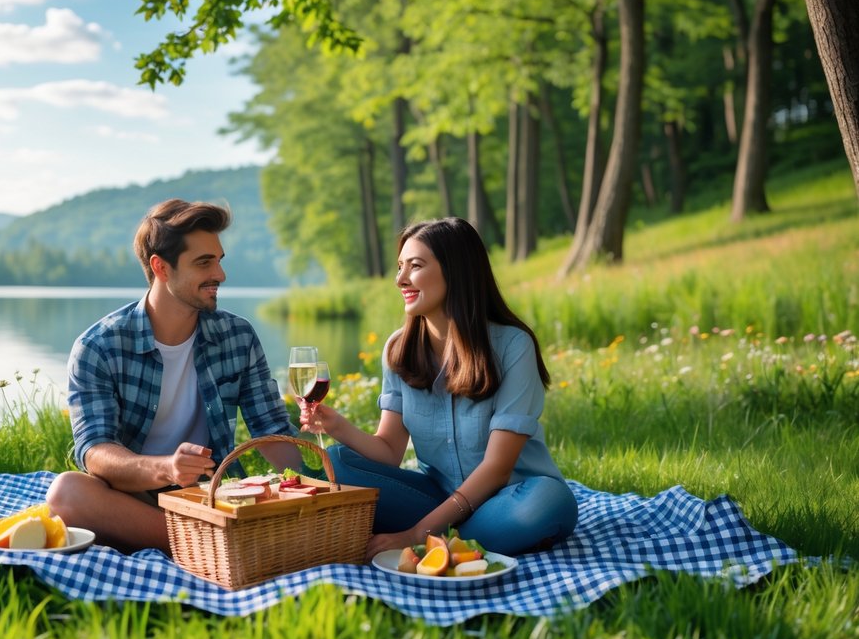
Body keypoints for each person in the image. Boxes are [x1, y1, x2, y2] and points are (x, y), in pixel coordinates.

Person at [299, 217, 578, 559]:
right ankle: (462, 542)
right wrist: (336, 425)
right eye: (400, 266)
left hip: (511, 496)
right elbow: (389, 451)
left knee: (547, 502)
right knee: (339, 463)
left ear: (456, 271)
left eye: (415, 266)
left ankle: (432, 542)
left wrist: (418, 531)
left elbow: (497, 468)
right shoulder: (398, 349)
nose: (400, 279)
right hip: (437, 497)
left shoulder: (512, 346)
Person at [46, 199, 304, 553]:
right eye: (204, 262)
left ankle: (196, 543)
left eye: (218, 260)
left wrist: (320, 480)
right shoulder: (98, 347)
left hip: (213, 498)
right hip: (134, 498)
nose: (220, 275)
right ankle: (215, 546)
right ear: (161, 267)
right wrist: (167, 468)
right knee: (68, 492)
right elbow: (95, 452)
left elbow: (272, 433)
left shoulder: (238, 336)